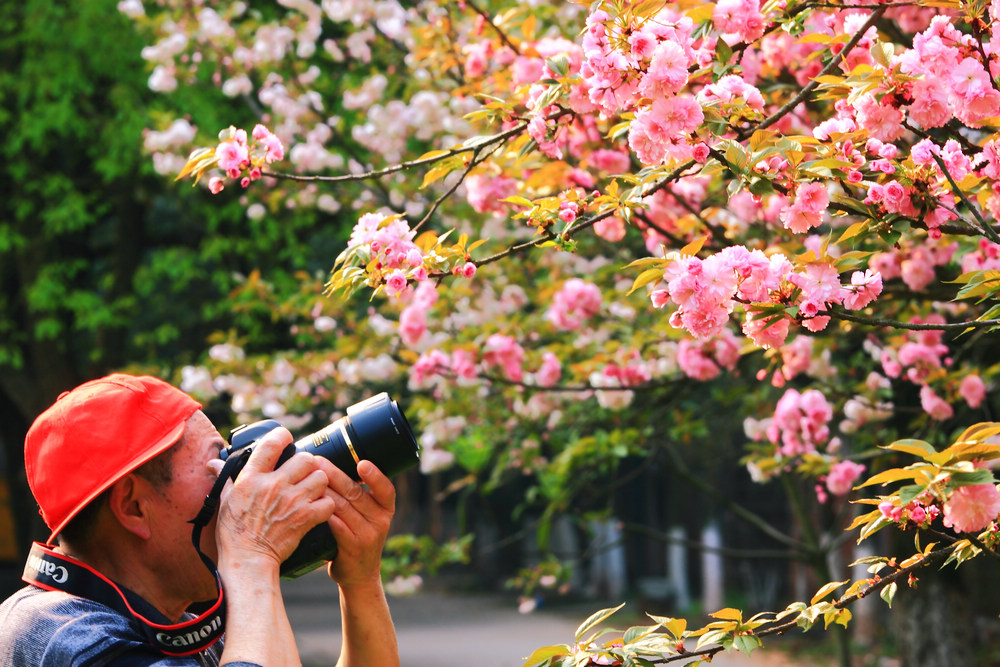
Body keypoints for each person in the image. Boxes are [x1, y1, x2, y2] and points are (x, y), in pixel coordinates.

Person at [0, 373, 401, 666]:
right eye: (217, 465)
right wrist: (253, 555)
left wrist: (360, 582)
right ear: (134, 507)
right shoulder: (63, 639)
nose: (239, 486)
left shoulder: (174, 623)